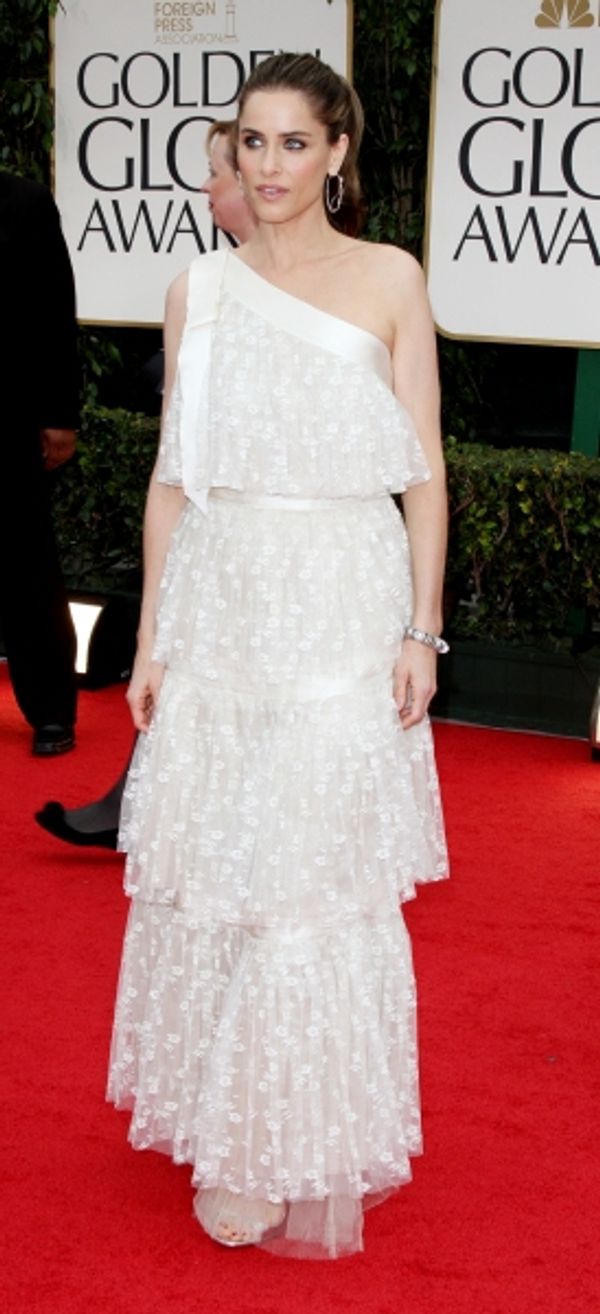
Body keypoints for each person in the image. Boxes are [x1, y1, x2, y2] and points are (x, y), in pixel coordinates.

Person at [107, 54, 448, 1260]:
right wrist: (148, 636)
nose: (270, 166)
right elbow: (169, 477)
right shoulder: (198, 284)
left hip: (339, 606)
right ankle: (225, 1109)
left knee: (307, 875)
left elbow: (423, 474)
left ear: (340, 152)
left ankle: (279, 1141)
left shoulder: (390, 279)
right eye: (251, 142)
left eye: (295, 143)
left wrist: (421, 629)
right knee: (217, 870)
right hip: (222, 598)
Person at [34, 120, 257, 842]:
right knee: (184, 660)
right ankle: (141, 799)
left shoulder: (317, 283)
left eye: (215, 172)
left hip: (257, 518)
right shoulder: (209, 279)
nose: (207, 186)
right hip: (201, 505)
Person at [0, 172, 79, 755]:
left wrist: (59, 415)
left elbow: (54, 310)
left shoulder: (21, 201)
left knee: (27, 562)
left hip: (8, 416)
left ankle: (52, 710)